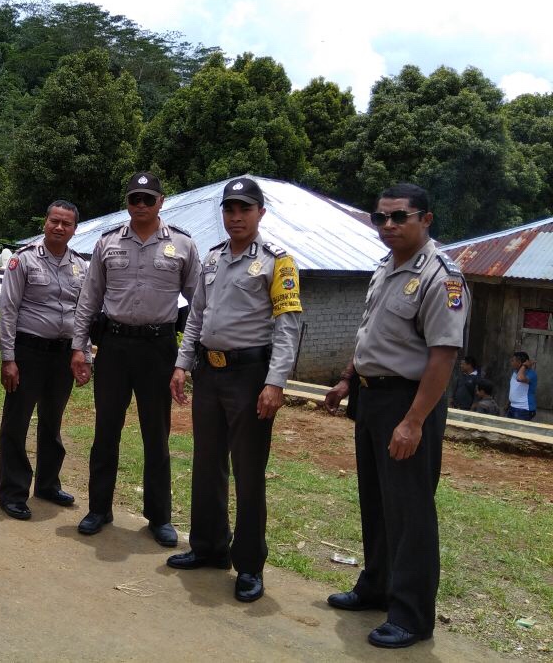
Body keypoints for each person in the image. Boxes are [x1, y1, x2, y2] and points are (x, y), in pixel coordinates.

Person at [322, 183, 469, 650]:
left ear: (426, 219)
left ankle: (410, 616)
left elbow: (443, 356)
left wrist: (414, 420)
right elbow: (372, 334)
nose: (387, 225)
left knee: (410, 511)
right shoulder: (386, 267)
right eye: (380, 217)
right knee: (378, 501)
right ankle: (377, 586)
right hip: (372, 398)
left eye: (399, 217)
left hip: (410, 402)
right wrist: (348, 378)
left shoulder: (442, 277)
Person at [166, 177, 302, 603]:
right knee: (207, 464)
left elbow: (288, 328)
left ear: (261, 213)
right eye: (229, 209)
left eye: (244, 209)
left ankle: (248, 565)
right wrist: (182, 364)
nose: (236, 217)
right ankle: (207, 547)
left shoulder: (278, 262)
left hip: (250, 378)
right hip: (211, 373)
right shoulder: (211, 259)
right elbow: (196, 318)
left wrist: (275, 382)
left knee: (247, 472)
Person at [71, 172, 200, 546]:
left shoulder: (183, 245)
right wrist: (79, 347)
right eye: (134, 199)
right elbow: (89, 299)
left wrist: (186, 359)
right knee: (106, 431)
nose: (140, 206)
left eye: (148, 199)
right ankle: (99, 509)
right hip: (114, 346)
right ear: (127, 203)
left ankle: (159, 517)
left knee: (156, 435)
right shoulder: (107, 243)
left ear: (162, 201)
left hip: (159, 348)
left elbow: (199, 304)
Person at [0, 201, 86, 520]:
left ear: (75, 229)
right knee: (16, 422)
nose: (59, 227)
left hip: (63, 355)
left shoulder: (80, 265)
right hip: (28, 352)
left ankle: (48, 484)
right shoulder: (24, 259)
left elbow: (83, 312)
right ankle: (12, 492)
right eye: (54, 221)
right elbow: (8, 310)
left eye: (67, 223)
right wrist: (8, 358)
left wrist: (83, 353)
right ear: (45, 222)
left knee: (53, 421)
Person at [507, 352, 538, 421]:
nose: (511, 362)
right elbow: (514, 390)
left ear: (519, 363)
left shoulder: (531, 374)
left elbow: (520, 378)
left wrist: (525, 366)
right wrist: (508, 404)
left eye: (513, 360)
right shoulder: (515, 372)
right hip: (513, 406)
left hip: (523, 409)